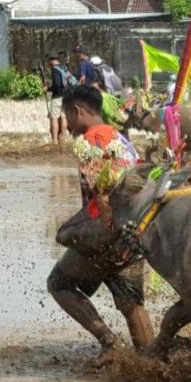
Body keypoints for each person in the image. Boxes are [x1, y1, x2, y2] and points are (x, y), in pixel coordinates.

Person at [47, 85, 153, 353]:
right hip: (132, 230)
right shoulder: (120, 138)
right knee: (131, 304)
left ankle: (110, 344)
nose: (68, 124)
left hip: (104, 234)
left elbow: (101, 192)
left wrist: (99, 232)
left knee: (58, 284)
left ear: (78, 110)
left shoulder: (88, 142)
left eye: (67, 117)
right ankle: (152, 362)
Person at [47, 54, 72, 143]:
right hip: (66, 96)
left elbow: (57, 85)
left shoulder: (54, 69)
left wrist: (48, 88)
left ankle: (54, 141)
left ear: (52, 60)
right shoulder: (64, 68)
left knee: (54, 118)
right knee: (63, 117)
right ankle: (63, 138)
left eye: (48, 61)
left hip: (57, 97)